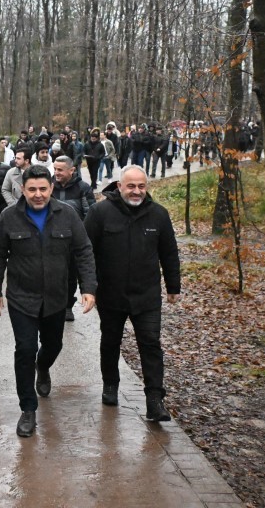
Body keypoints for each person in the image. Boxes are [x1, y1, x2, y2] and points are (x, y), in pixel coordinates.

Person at [0, 166, 96, 438]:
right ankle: (28, 408)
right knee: (24, 349)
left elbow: (83, 251)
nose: (38, 195)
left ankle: (44, 366)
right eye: (32, 189)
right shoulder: (9, 217)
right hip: (22, 298)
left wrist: (89, 288)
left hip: (56, 298)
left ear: (50, 188)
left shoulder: (67, 215)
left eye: (43, 189)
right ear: (22, 190)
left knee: (52, 345)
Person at [84, 165, 181, 421]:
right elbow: (85, 252)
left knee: (150, 344)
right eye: (131, 186)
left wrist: (173, 286)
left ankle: (154, 399)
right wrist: (87, 287)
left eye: (141, 186)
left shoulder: (158, 215)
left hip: (146, 295)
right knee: (111, 340)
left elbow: (169, 252)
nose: (136, 191)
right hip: (110, 294)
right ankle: (110, 384)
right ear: (119, 186)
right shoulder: (99, 212)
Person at [52, 155, 97, 322]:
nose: (56, 173)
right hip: (52, 239)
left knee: (71, 275)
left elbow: (90, 213)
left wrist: (81, 236)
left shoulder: (83, 188)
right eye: (55, 169)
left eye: (60, 170)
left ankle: (68, 306)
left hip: (73, 241)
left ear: (72, 170)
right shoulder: (49, 186)